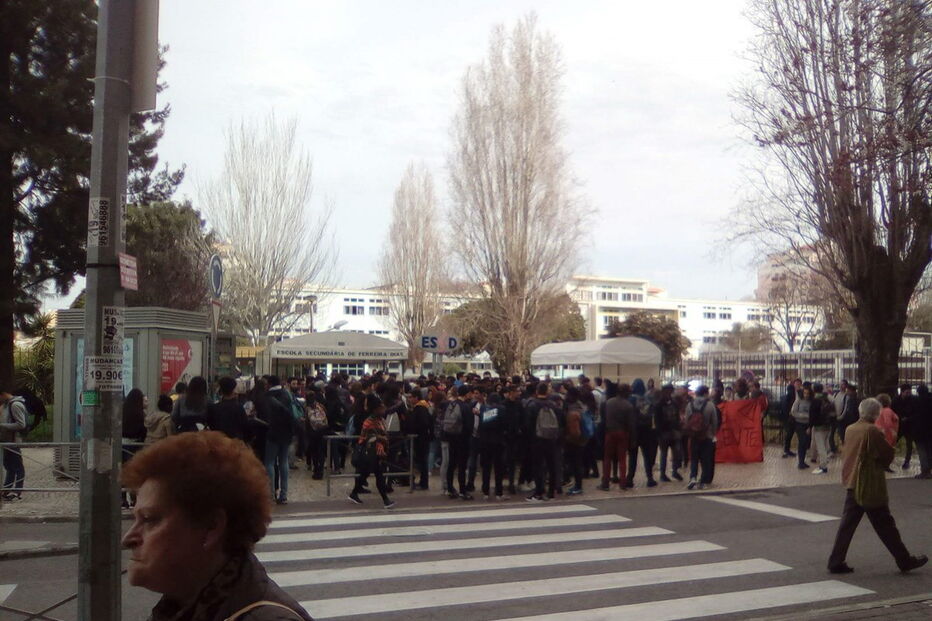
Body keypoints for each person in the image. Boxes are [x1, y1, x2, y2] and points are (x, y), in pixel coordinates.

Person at [121, 431, 313, 620]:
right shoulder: (184, 605)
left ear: (211, 527)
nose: (128, 538)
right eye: (135, 519)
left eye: (149, 519)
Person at [827, 398, 927, 575]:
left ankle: (836, 560)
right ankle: (904, 560)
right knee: (885, 523)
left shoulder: (850, 428)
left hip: (852, 481)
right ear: (875, 414)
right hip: (869, 483)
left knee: (847, 525)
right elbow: (886, 454)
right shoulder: (872, 430)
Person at [348, 393, 395, 509]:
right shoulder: (369, 422)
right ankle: (385, 500)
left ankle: (354, 493)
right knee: (378, 475)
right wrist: (381, 438)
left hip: (376, 452)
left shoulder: (379, 420)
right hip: (370, 452)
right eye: (380, 408)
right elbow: (370, 437)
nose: (383, 409)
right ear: (375, 409)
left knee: (366, 475)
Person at [598, 382, 635, 492]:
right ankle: (623, 483)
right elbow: (631, 424)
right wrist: (632, 438)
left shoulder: (608, 403)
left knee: (607, 458)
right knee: (622, 459)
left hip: (610, 432)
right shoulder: (628, 406)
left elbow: (603, 419)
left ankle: (605, 483)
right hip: (623, 433)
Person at [264, 376, 296, 505]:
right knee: (283, 462)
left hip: (273, 432)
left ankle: (271, 494)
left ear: (269, 384)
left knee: (270, 462)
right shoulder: (287, 394)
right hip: (286, 432)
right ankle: (284, 495)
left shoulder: (267, 396)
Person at [686, 385, 719, 490]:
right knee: (705, 460)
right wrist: (713, 433)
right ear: (705, 393)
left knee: (694, 458)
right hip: (707, 436)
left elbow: (687, 421)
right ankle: (703, 481)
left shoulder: (690, 405)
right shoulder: (710, 405)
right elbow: (714, 421)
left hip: (694, 436)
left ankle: (693, 477)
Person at [122, 388, 149, 509]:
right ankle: (134, 499)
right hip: (134, 445)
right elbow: (143, 431)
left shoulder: (122, 411)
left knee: (122, 472)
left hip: (121, 444)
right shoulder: (140, 414)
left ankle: (122, 499)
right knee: (134, 473)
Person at [0, 388, 28, 500]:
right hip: (6, 441)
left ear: (3, 394)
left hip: (13, 441)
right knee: (9, 467)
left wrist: (2, 426)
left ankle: (17, 491)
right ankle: (6, 490)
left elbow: (21, 424)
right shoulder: (6, 405)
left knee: (17, 467)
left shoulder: (15, 405)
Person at [206, 377, 250, 441]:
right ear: (233, 390)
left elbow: (211, 426)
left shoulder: (213, 408)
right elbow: (246, 428)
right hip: (235, 443)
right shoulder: (239, 408)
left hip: (218, 442)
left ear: (221, 390)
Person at [654, 384, 683, 482]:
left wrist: (678, 427)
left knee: (676, 453)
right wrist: (660, 431)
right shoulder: (659, 404)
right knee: (664, 454)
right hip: (664, 432)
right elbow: (657, 420)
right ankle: (663, 474)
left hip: (673, 431)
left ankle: (674, 471)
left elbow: (677, 416)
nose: (669, 393)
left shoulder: (673, 403)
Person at [809, 383, 834, 475]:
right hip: (828, 425)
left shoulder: (815, 400)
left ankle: (823, 466)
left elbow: (812, 415)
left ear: (814, 390)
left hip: (818, 427)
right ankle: (825, 460)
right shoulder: (827, 398)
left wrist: (810, 426)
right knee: (825, 444)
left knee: (821, 447)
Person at [892, 384, 916, 469]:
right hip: (898, 425)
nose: (909, 394)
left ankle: (907, 462)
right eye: (907, 392)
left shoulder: (913, 400)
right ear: (902, 392)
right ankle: (888, 459)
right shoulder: (895, 400)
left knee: (909, 444)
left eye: (909, 392)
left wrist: (908, 418)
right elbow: (893, 411)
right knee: (893, 442)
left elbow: (915, 412)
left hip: (909, 426)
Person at [789, 386, 814, 470]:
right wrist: (803, 416)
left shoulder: (811, 402)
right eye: (805, 393)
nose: (806, 395)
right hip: (799, 423)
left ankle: (803, 460)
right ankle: (800, 462)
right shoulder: (798, 401)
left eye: (808, 393)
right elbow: (794, 412)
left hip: (808, 424)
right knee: (802, 441)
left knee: (806, 443)